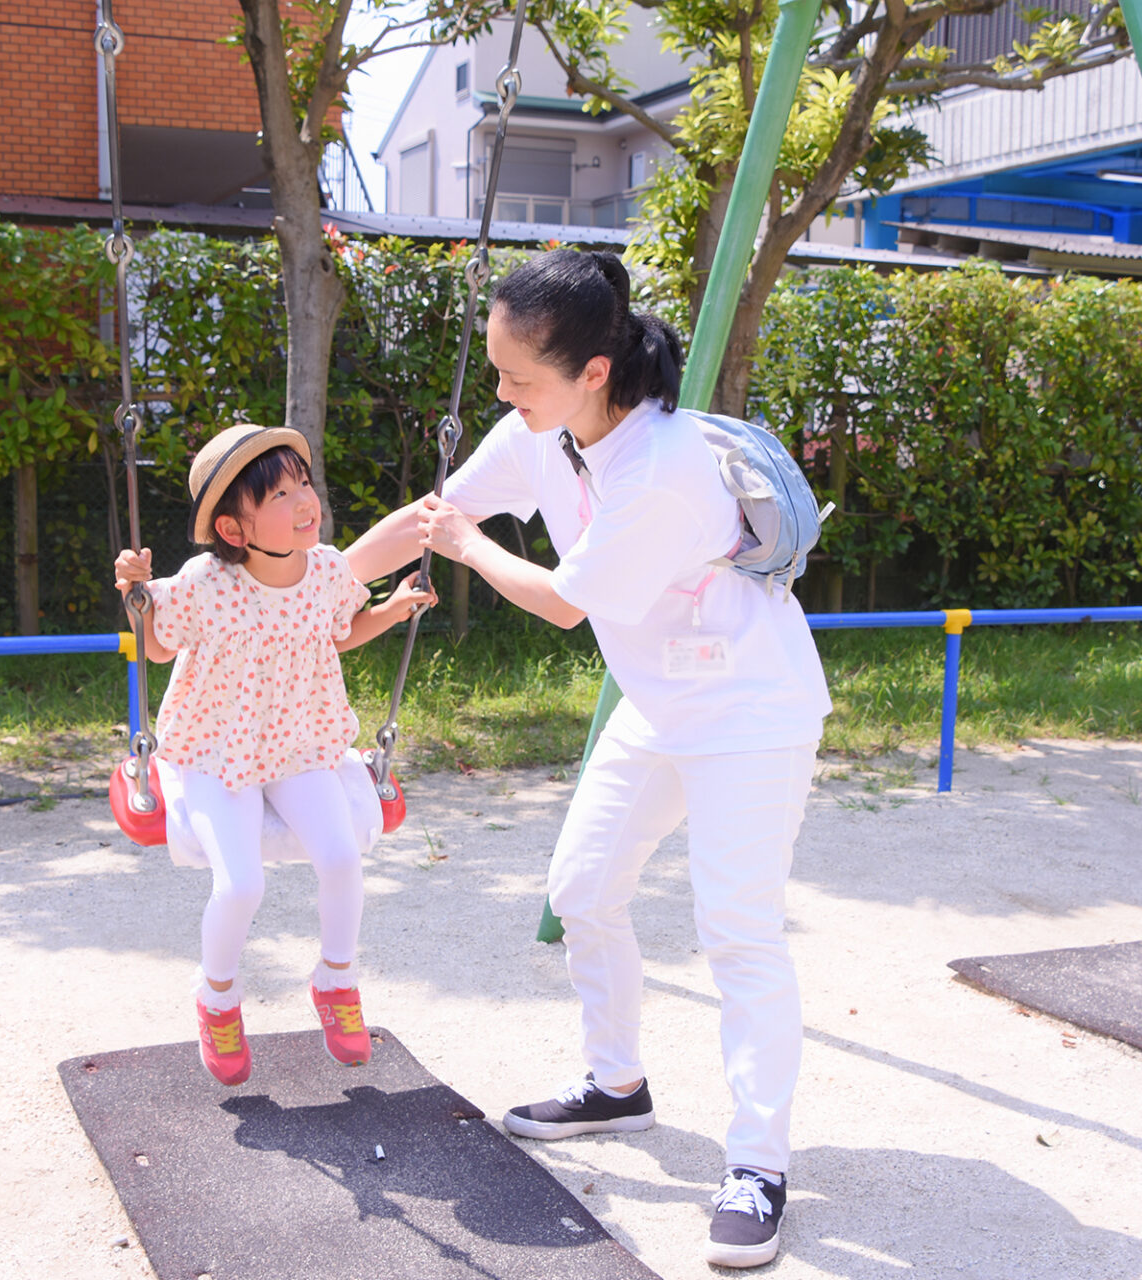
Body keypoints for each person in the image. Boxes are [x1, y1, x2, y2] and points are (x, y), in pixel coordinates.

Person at [345, 249, 830, 1269]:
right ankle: (618, 1086)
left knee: (737, 929)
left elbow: (564, 599)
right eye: (497, 372)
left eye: (518, 376)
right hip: (661, 704)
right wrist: (314, 589)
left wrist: (469, 548)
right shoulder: (542, 428)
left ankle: (758, 1163)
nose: (503, 393)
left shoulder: (665, 470)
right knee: (582, 886)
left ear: (594, 370)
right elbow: (435, 514)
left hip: (749, 708)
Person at [113, 424, 435, 1087]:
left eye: (304, 484)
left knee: (343, 856)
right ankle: (218, 1000)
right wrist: (134, 595)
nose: (304, 501)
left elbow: (340, 634)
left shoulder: (325, 571)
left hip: (297, 744)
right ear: (235, 529)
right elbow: (157, 649)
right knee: (241, 883)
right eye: (281, 494)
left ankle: (336, 981)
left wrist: (394, 611)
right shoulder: (205, 583)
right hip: (214, 750)